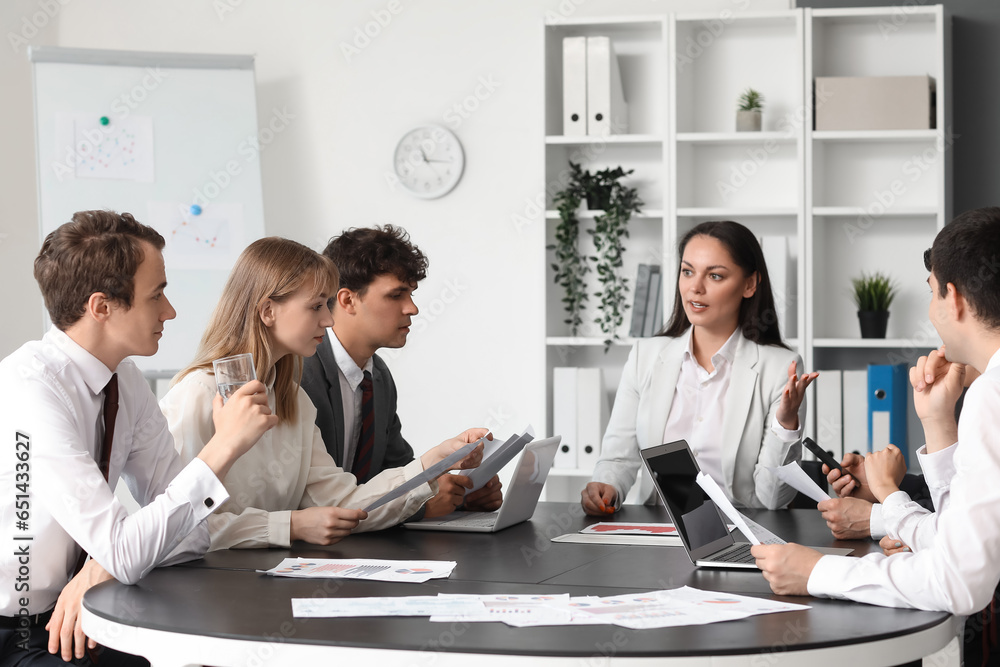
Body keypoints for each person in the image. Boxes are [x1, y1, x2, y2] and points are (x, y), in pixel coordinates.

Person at [0, 211, 276, 665]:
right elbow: (135, 546)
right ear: (102, 307)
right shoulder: (30, 388)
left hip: (79, 608)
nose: (170, 311)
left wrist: (99, 566)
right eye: (158, 294)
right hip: (17, 630)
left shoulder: (124, 381)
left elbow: (192, 537)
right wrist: (223, 446)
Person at [753, 207, 1000, 666]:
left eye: (931, 294)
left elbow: (960, 581)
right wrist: (938, 421)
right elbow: (961, 541)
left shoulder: (991, 395)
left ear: (955, 298)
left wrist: (819, 571)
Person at [161, 237, 485, 550]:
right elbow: (174, 527)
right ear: (268, 311)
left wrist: (435, 460)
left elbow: (340, 501)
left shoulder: (293, 399)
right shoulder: (198, 393)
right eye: (316, 306)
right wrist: (290, 526)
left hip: (269, 579)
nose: (329, 320)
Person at [581, 220, 817, 515]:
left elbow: (772, 499)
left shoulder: (781, 368)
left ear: (749, 284)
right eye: (687, 271)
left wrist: (785, 424)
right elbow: (618, 460)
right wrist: (606, 487)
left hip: (740, 533)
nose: (695, 287)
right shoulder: (646, 356)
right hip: (660, 532)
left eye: (715, 276)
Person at [301, 225, 503, 520]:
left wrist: (461, 492)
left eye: (411, 294)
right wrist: (419, 508)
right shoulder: (301, 375)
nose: (413, 308)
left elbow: (394, 471)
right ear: (347, 300)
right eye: (396, 295)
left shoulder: (377, 376)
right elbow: (309, 499)